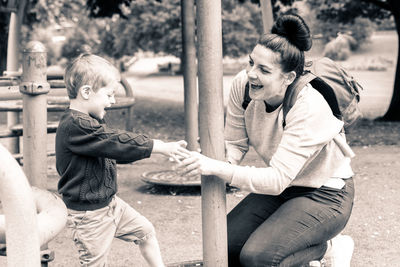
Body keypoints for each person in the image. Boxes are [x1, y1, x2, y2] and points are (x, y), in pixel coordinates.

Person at [177, 13, 355, 267]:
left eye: (263, 70)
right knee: (224, 247)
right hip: (285, 188)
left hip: (325, 193)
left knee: (259, 257)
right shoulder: (243, 86)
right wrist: (216, 160)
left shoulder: (309, 105)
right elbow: (236, 143)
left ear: (288, 78)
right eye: (251, 63)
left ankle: (327, 251)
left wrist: (216, 167)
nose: (251, 74)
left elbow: (276, 179)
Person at [56, 53, 189, 267]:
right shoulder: (75, 126)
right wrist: (159, 146)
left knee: (145, 232)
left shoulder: (90, 121)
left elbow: (115, 150)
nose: (113, 100)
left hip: (113, 205)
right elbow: (116, 142)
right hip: (89, 216)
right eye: (109, 94)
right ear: (86, 92)